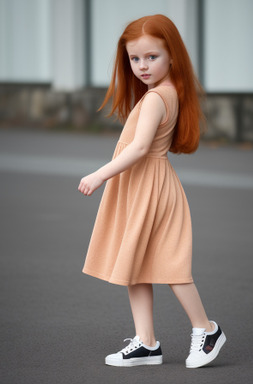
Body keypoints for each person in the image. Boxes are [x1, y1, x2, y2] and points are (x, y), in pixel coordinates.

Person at [78, 14, 226, 368]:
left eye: (152, 57)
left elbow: (139, 148)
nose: (142, 66)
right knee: (136, 262)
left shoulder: (158, 98)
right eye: (134, 59)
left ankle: (207, 329)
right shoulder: (164, 93)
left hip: (149, 186)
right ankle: (146, 342)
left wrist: (100, 174)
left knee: (171, 266)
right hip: (144, 185)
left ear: (171, 55)